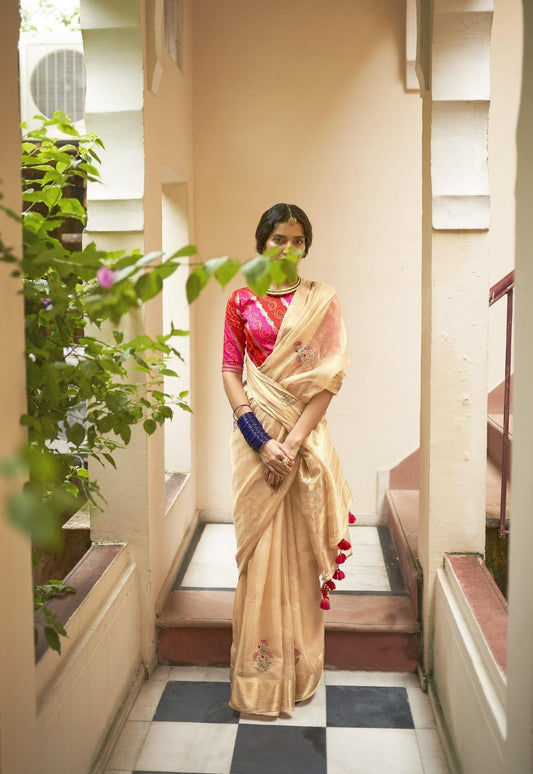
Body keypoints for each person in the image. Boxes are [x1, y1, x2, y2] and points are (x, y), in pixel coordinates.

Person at [222, 203, 354, 717]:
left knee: (298, 554)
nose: (287, 249)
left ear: (306, 246)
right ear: (262, 243)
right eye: (278, 239)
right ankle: (259, 675)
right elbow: (231, 371)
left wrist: (292, 443)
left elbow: (329, 378)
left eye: (297, 240)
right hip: (255, 443)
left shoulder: (322, 302)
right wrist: (260, 440)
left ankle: (299, 668)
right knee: (259, 552)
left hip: (302, 441)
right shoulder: (240, 301)